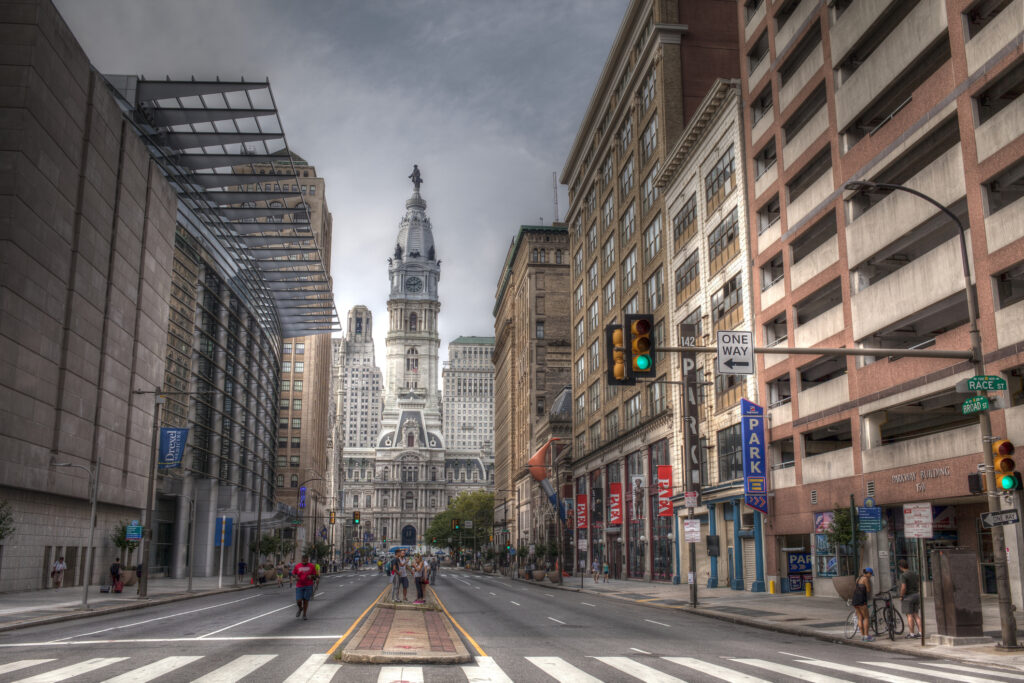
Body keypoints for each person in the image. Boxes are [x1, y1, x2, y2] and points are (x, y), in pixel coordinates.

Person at [899, 559, 922, 638]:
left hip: (908, 596)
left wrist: (901, 596)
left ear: (901, 567)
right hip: (916, 595)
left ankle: (911, 633)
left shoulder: (904, 575)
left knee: (909, 615)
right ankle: (920, 632)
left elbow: (903, 587)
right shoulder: (914, 573)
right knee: (916, 614)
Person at [291, 554, 318, 621]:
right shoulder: (297, 566)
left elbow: (315, 575)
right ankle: (300, 608)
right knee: (299, 600)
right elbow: (293, 573)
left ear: (307, 560)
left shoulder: (311, 566)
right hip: (299, 585)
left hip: (308, 585)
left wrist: (311, 576)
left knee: (306, 600)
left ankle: (304, 615)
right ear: (301, 559)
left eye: (305, 560)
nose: (304, 561)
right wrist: (296, 577)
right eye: (303, 559)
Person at [852, 567, 874, 642]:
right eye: (870, 574)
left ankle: (862, 635)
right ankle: (866, 636)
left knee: (860, 617)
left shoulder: (858, 578)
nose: (870, 576)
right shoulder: (865, 579)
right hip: (862, 600)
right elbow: (868, 590)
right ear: (868, 573)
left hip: (855, 599)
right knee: (866, 617)